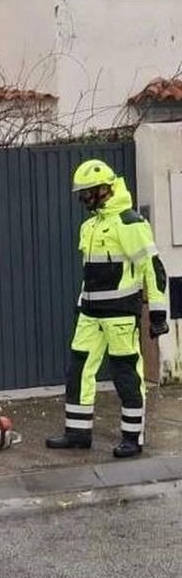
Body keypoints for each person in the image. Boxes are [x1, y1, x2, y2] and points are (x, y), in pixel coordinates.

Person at [48, 159, 168, 457]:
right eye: (83, 193)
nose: (84, 198)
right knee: (78, 371)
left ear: (105, 189)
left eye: (88, 192)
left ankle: (132, 438)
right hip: (89, 314)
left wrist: (157, 313)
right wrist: (81, 304)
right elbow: (90, 274)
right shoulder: (89, 226)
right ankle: (77, 433)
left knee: (125, 374)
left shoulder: (130, 223)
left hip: (119, 316)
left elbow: (153, 269)